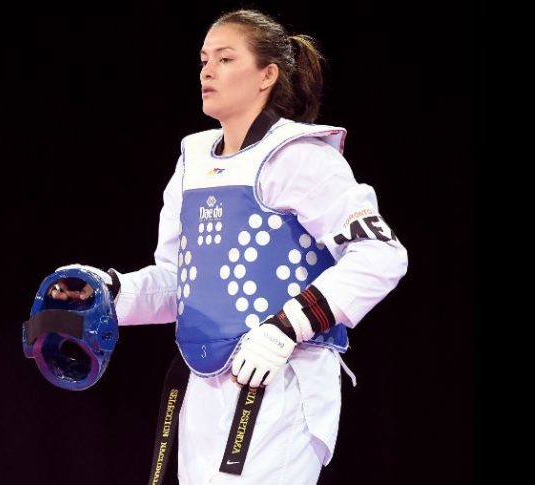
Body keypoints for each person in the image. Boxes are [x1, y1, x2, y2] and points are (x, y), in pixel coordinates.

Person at [49, 8, 408, 485]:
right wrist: (107, 291)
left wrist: (286, 328)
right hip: (204, 384)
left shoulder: (299, 156)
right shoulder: (192, 161)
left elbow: (381, 255)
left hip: (283, 379)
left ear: (267, 75)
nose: (208, 71)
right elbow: (180, 283)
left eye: (225, 58)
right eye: (203, 61)